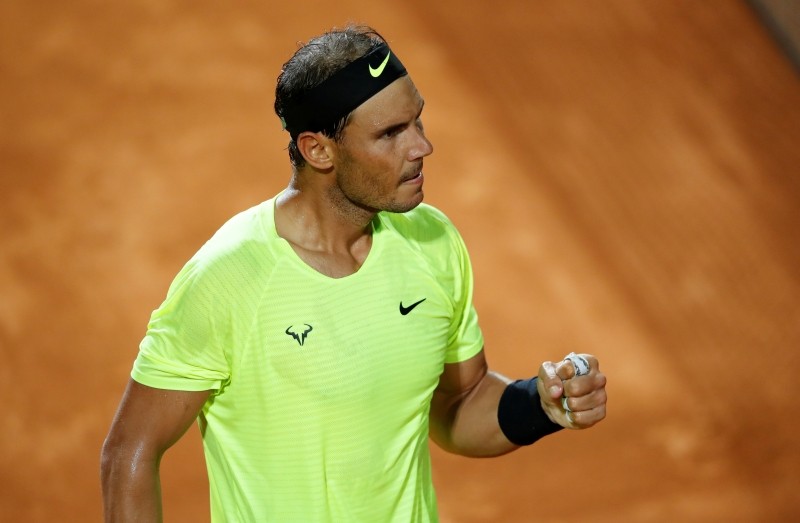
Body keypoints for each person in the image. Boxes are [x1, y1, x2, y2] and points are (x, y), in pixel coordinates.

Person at [100, 24, 607, 522]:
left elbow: (458, 403)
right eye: (390, 134)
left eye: (417, 122)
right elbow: (129, 453)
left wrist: (540, 405)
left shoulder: (431, 242)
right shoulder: (230, 278)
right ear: (319, 149)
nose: (421, 148)